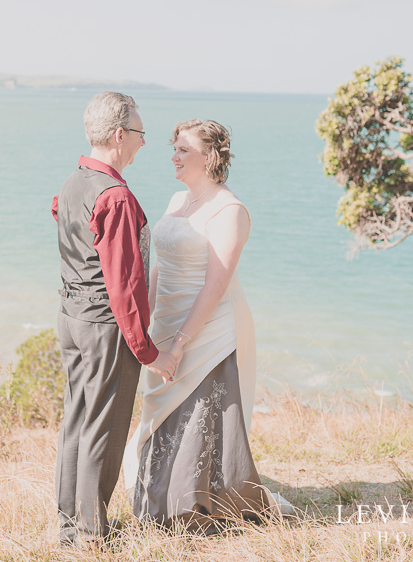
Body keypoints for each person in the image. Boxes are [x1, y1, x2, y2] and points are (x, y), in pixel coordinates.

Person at [123, 118, 293, 532]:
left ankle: (200, 504)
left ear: (209, 157)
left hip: (209, 329)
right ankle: (159, 495)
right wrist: (145, 325)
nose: (174, 155)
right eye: (174, 147)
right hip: (166, 322)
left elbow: (215, 287)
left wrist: (180, 343)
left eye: (183, 149)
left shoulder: (229, 210)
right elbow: (161, 269)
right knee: (160, 412)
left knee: (198, 415)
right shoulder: (175, 201)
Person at [51, 91, 179, 546]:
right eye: (141, 134)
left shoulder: (72, 183)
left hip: (71, 317)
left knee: (77, 420)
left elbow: (71, 240)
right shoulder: (117, 197)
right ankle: (89, 536)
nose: (144, 144)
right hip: (105, 327)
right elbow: (123, 284)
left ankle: (70, 525)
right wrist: (148, 351)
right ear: (120, 135)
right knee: (104, 427)